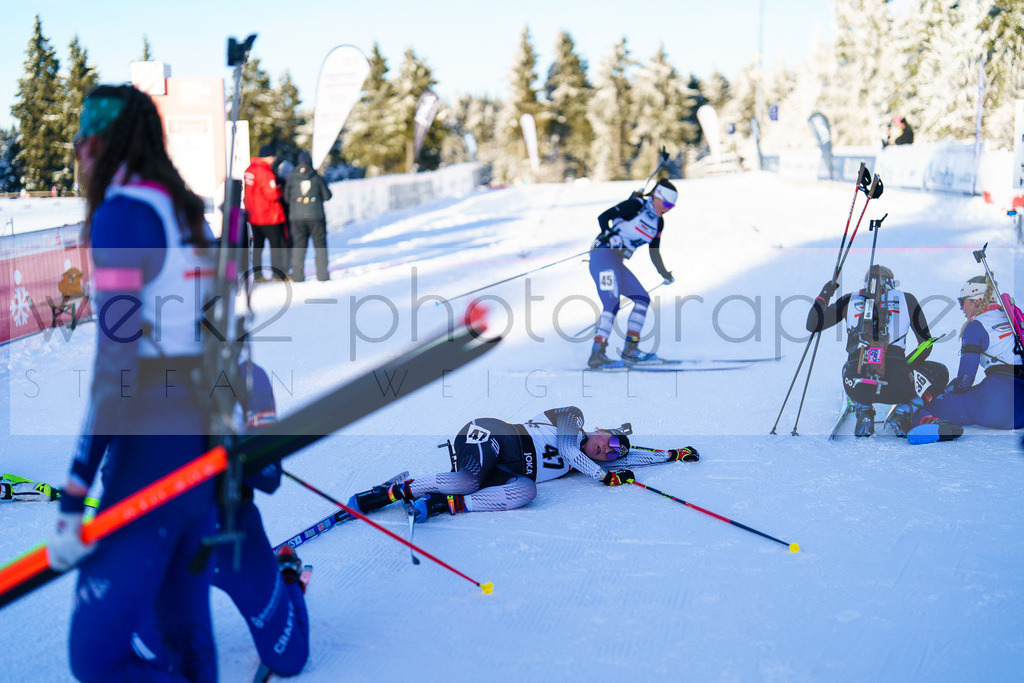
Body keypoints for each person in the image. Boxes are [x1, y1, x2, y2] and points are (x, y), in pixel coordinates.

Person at [48, 84, 219, 682]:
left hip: (150, 453)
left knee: (95, 660)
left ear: (102, 141)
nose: (76, 152)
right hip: (197, 445)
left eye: (81, 139)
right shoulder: (181, 208)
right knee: (189, 648)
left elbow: (116, 365)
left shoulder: (122, 214)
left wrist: (75, 492)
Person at [133, 361, 310, 678]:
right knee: (156, 665)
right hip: (169, 547)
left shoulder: (250, 377)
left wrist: (232, 450)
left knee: (289, 661)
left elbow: (270, 477)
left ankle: (285, 574)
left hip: (235, 538)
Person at [347, 406, 699, 521]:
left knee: (527, 491)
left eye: (611, 453)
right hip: (487, 436)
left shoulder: (583, 462)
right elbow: (573, 451)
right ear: (603, 429)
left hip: (505, 470)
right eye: (610, 441)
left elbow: (630, 456)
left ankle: (440, 503)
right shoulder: (571, 419)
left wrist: (670, 455)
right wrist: (605, 475)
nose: (607, 450)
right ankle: (390, 492)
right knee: (469, 479)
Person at [806, 265, 948, 437]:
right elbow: (926, 345)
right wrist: (906, 366)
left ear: (866, 283)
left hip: (855, 384)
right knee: (941, 372)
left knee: (848, 367)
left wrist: (825, 293)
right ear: (892, 282)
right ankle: (903, 412)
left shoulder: (850, 299)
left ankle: (864, 409)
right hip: (898, 386)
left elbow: (812, 324)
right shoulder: (907, 299)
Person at [889, 274, 1024, 443]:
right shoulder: (1014, 318)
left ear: (976, 300)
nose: (961, 308)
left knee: (928, 406)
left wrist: (948, 390)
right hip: (1020, 410)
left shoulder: (976, 327)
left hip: (998, 406)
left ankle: (924, 421)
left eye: (963, 301)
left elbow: (965, 381)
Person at [587, 179, 678, 368]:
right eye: (667, 204)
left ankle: (631, 349)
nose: (669, 209)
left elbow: (654, 252)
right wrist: (607, 234)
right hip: (602, 255)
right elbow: (603, 217)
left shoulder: (658, 223)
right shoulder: (636, 205)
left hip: (616, 262)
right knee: (611, 303)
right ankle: (597, 353)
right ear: (657, 196)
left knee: (642, 299)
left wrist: (664, 272)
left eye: (672, 206)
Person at [285, 151, 333, 282]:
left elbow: (286, 198)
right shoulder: (316, 177)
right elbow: (327, 196)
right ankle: (323, 275)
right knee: (320, 246)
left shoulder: (292, 178)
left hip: (297, 218)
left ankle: (298, 276)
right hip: (316, 216)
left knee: (298, 247)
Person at [245, 143, 289, 282]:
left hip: (253, 215)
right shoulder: (264, 171)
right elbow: (272, 194)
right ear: (268, 156)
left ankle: (258, 275)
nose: (274, 159)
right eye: (273, 156)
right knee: (277, 244)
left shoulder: (250, 169)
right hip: (268, 215)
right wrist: (281, 189)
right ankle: (278, 274)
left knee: (258, 246)